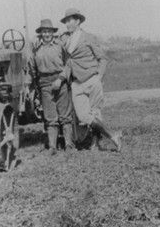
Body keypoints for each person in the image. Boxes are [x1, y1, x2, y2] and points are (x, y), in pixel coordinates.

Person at [52, 8, 122, 151]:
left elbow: (102, 58)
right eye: (65, 21)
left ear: (78, 21)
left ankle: (95, 144)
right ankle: (113, 134)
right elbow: (68, 64)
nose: (67, 23)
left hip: (92, 80)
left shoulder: (89, 37)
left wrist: (99, 76)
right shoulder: (65, 40)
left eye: (69, 20)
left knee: (95, 112)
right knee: (83, 116)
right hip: (77, 84)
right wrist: (60, 78)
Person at [28, 19, 74, 155]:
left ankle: (69, 145)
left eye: (49, 31)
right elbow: (32, 68)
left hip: (60, 81)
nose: (46, 34)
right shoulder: (36, 48)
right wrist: (29, 84)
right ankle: (52, 147)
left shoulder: (60, 45)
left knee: (65, 115)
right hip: (44, 83)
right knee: (50, 116)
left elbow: (68, 63)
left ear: (53, 33)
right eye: (44, 31)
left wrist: (60, 79)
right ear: (40, 33)